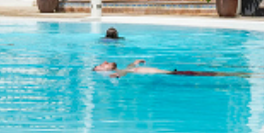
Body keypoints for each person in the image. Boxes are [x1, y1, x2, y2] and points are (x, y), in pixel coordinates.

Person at [93, 58, 243, 79]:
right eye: (101, 65)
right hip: (171, 74)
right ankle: (233, 74)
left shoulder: (125, 69)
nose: (104, 62)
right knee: (205, 74)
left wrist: (135, 62)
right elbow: (123, 72)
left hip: (171, 73)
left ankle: (230, 74)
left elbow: (127, 69)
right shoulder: (118, 72)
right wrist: (117, 76)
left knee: (202, 73)